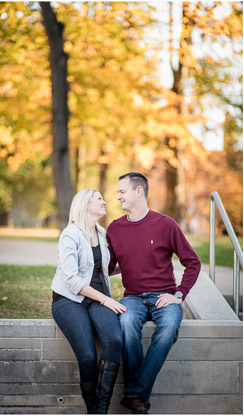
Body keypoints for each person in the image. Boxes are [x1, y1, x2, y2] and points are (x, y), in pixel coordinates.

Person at [107, 172, 200, 414]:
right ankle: (137, 396)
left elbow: (193, 262)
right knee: (126, 322)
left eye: (122, 191)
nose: (117, 196)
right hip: (133, 297)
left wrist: (179, 295)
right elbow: (107, 268)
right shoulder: (114, 228)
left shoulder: (166, 224)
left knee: (169, 327)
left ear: (139, 191)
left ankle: (135, 393)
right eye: (117, 192)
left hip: (164, 296)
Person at [50, 189, 126, 414]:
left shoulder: (101, 233)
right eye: (99, 198)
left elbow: (102, 269)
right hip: (69, 300)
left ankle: (101, 408)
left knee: (114, 340)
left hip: (97, 298)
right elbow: (72, 280)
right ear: (85, 205)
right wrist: (106, 300)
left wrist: (140, 263)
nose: (105, 202)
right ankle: (93, 410)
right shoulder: (70, 234)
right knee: (88, 355)